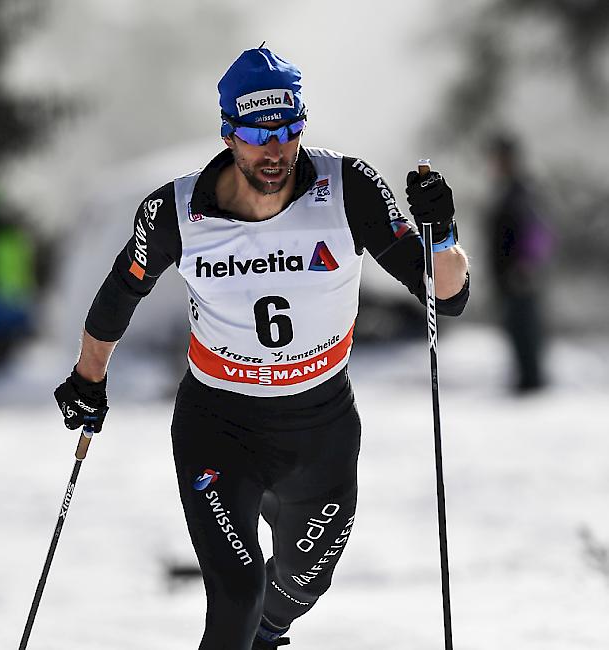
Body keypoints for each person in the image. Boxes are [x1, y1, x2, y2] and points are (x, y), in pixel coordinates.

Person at [54, 47, 470, 649]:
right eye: (255, 133)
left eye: (286, 130)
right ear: (228, 132)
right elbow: (121, 292)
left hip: (320, 424)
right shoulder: (176, 211)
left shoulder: (347, 188)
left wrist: (445, 234)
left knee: (297, 590)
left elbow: (447, 295)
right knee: (238, 594)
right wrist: (89, 380)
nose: (273, 150)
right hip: (221, 423)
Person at [484, 133, 553, 393]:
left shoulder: (521, 190)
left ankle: (531, 385)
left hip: (521, 277)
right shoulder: (506, 190)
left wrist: (527, 265)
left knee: (525, 332)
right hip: (510, 277)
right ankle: (527, 382)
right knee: (517, 331)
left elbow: (537, 232)